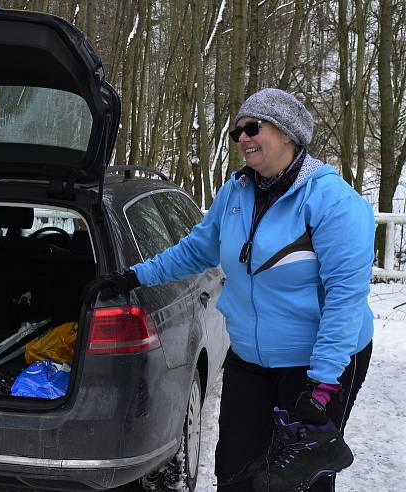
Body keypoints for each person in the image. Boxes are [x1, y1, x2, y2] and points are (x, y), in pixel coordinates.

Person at [84, 88, 374, 492]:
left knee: (297, 481)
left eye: (252, 127)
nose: (242, 138)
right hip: (251, 356)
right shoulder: (236, 193)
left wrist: (323, 383)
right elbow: (196, 250)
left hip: (317, 361)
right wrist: (135, 276)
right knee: (235, 472)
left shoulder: (334, 202)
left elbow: (345, 299)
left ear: (288, 133)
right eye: (237, 131)